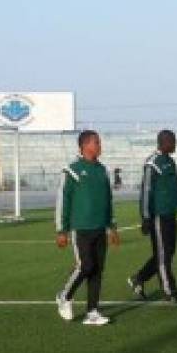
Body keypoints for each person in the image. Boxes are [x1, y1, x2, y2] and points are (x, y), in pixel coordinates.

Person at [55, 130, 120, 326]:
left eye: (100, 142)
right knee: (86, 266)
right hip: (80, 228)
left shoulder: (102, 170)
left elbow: (108, 200)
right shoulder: (72, 170)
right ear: (85, 146)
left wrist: (112, 226)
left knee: (97, 270)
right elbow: (63, 200)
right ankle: (64, 295)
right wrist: (61, 230)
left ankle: (92, 311)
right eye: (97, 143)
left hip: (100, 228)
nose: (100, 146)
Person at [129, 129, 177, 303]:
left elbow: (176, 190)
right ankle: (169, 292)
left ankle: (139, 278)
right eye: (173, 141)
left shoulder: (171, 163)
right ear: (164, 142)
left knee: (166, 253)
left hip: (170, 215)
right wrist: (145, 218)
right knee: (164, 255)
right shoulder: (152, 163)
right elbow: (146, 192)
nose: (175, 144)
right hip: (158, 217)